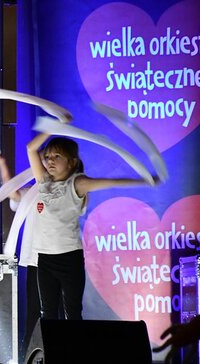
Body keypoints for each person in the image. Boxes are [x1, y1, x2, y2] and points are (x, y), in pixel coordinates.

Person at [27, 132, 157, 320]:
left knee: (72, 312)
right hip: (45, 258)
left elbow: (111, 183)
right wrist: (52, 127)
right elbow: (31, 148)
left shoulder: (77, 183)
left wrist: (144, 181)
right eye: (47, 157)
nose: (50, 161)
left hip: (69, 257)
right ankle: (51, 341)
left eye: (57, 156)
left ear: (71, 162)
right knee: (47, 313)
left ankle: (76, 342)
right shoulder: (43, 181)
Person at [0, 155, 40, 364]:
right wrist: (2, 164)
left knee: (63, 310)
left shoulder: (67, 188)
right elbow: (12, 192)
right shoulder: (33, 192)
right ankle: (29, 357)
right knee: (34, 310)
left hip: (62, 259)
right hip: (36, 259)